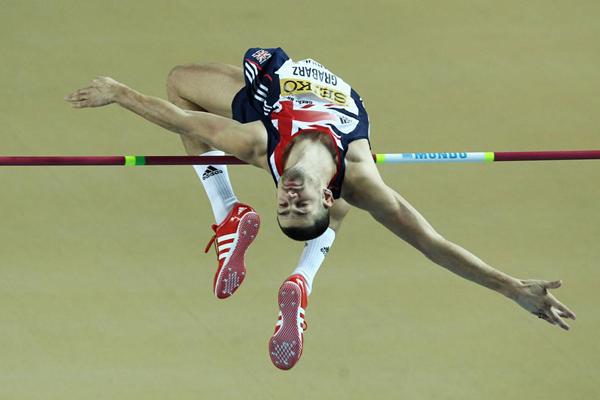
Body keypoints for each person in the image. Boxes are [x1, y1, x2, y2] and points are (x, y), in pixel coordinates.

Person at [65, 47, 576, 371]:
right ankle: (297, 272)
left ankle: (229, 215)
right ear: (323, 196)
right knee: (357, 199)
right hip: (325, 116)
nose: (288, 197)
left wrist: (119, 93)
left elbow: (178, 117)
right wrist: (510, 285)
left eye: (283, 206)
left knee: (180, 85)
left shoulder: (256, 143)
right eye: (299, 202)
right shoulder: (356, 178)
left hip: (276, 101)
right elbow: (434, 244)